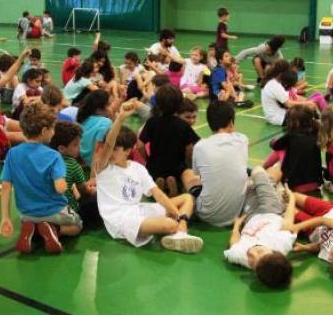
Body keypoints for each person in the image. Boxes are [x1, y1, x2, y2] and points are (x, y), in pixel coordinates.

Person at [96, 99, 204, 253]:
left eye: (116, 149)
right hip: (121, 219)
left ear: (128, 150)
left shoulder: (137, 168)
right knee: (169, 224)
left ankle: (180, 230)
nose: (110, 152)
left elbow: (158, 194)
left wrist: (177, 215)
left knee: (187, 198)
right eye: (111, 149)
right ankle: (178, 230)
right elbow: (108, 145)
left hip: (138, 209)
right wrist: (120, 118)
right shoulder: (104, 168)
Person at [0, 103, 81, 254]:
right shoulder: (54, 156)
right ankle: (55, 230)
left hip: (26, 214)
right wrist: (65, 184)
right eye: (52, 128)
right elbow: (60, 188)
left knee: (32, 221)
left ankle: (33, 228)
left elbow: (5, 187)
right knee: (77, 225)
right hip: (54, 211)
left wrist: (5, 217)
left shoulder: (12, 154)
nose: (54, 132)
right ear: (44, 131)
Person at [224, 168, 297, 289]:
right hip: (271, 209)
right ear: (275, 251)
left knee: (245, 187)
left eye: (251, 261)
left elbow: (234, 244)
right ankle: (269, 169)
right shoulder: (282, 243)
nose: (251, 252)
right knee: (259, 172)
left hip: (250, 216)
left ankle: (268, 180)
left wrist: (236, 227)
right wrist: (292, 198)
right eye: (260, 252)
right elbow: (288, 221)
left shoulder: (237, 256)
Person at [191, 101, 249, 227]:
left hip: (206, 215)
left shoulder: (200, 146)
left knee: (190, 179)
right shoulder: (243, 140)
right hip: (236, 214)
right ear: (231, 122)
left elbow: (197, 175)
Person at [138, 84, 202, 196]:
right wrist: (188, 163)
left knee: (153, 173)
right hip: (176, 167)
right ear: (179, 105)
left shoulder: (152, 122)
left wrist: (147, 159)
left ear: (158, 103)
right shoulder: (182, 125)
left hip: (155, 166)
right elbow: (189, 149)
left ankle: (159, 184)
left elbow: (140, 145)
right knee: (183, 173)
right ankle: (174, 184)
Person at [50, 121, 98, 226]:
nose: (79, 147)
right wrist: (93, 190)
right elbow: (83, 191)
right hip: (68, 211)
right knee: (96, 201)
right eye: (75, 145)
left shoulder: (46, 160)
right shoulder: (73, 164)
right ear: (61, 148)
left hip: (45, 209)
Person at [265, 105, 323, 193]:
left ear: (294, 122)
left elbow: (276, 145)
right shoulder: (316, 132)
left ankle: (262, 168)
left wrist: (272, 142)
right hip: (315, 183)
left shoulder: (291, 136)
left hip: (295, 185)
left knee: (280, 150)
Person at [77, 89, 115, 168]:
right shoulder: (105, 122)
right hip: (95, 164)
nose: (113, 106)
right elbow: (98, 148)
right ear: (98, 110)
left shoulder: (84, 118)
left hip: (83, 160)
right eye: (109, 104)